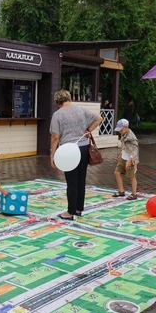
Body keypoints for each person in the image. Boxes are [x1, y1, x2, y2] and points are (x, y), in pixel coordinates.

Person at [50, 90, 103, 220]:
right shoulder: (81, 109)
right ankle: (79, 208)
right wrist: (88, 130)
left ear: (57, 103)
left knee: (71, 182)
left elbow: (55, 136)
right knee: (81, 180)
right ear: (70, 98)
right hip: (84, 147)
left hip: (68, 150)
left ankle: (70, 212)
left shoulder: (57, 115)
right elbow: (99, 118)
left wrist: (52, 155)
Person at [112, 119, 139, 200]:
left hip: (130, 159)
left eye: (121, 129)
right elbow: (124, 145)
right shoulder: (123, 133)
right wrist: (121, 153)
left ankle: (134, 194)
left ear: (126, 127)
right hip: (123, 157)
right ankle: (121, 191)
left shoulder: (131, 137)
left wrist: (130, 160)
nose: (119, 131)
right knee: (117, 172)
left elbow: (135, 149)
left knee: (131, 176)